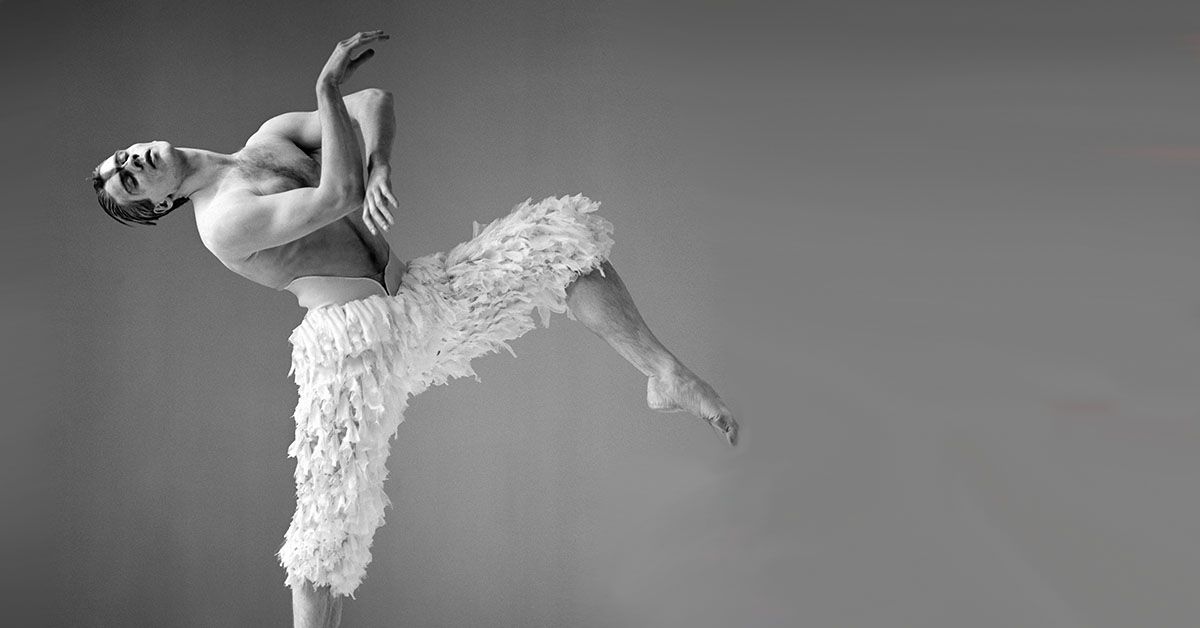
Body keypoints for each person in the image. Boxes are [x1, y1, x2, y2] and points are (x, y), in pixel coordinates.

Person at [91, 31, 739, 628]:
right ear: (162, 203)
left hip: (418, 301)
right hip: (351, 351)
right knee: (326, 528)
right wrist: (326, 96)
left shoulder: (267, 138)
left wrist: (381, 167)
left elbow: (373, 101)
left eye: (123, 158)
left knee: (560, 242)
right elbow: (336, 197)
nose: (132, 163)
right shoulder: (222, 220)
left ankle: (663, 374)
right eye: (129, 182)